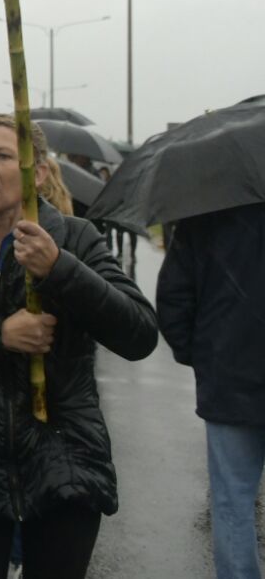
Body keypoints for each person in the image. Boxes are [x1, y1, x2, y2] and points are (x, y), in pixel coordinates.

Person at [0, 115, 158, 579]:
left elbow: (138, 334)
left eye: (3, 155)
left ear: (37, 173)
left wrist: (59, 268)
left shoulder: (75, 238)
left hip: (65, 463)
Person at [156, 203, 265, 579]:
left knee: (232, 502)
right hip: (227, 376)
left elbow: (173, 299)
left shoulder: (207, 210)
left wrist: (202, 355)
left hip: (228, 377)